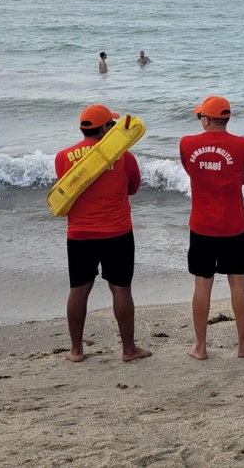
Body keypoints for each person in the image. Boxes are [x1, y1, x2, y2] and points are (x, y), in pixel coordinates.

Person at [54, 104, 151, 363]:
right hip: (117, 233)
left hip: (79, 235)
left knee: (78, 291)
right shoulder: (124, 157)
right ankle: (129, 350)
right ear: (107, 128)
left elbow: (67, 191)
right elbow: (133, 189)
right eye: (113, 124)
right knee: (121, 290)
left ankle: (76, 351)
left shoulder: (63, 157)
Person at [180, 95, 244, 360]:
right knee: (238, 282)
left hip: (201, 225)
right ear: (226, 118)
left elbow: (191, 170)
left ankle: (201, 346)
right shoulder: (242, 144)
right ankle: (243, 344)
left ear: (206, 119)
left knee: (202, 284)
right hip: (234, 224)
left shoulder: (187, 143)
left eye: (200, 116)